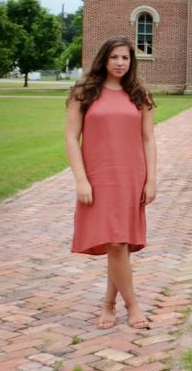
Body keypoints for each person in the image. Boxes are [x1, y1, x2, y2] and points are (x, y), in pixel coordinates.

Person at [65, 36, 157, 329]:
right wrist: (81, 179)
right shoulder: (84, 92)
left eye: (125, 58)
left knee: (121, 244)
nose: (120, 63)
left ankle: (109, 304)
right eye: (114, 57)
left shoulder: (139, 94)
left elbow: (148, 138)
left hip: (131, 175)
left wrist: (151, 179)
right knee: (116, 242)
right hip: (99, 176)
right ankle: (133, 306)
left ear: (132, 62)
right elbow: (70, 137)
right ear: (104, 59)